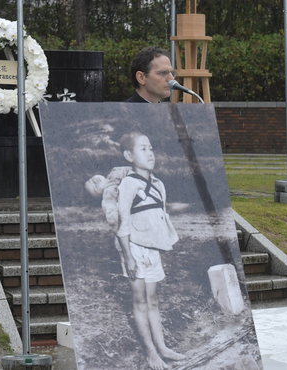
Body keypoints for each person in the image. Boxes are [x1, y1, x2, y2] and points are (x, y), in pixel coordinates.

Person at [115, 131, 186, 369]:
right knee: (140, 302)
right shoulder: (128, 184)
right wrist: (128, 258)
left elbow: (160, 218)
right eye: (142, 149)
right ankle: (150, 354)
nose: (150, 153)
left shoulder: (158, 184)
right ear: (128, 155)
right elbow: (122, 222)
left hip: (152, 252)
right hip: (134, 251)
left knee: (153, 301)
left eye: (151, 148)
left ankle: (163, 348)